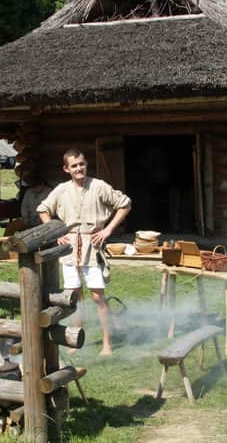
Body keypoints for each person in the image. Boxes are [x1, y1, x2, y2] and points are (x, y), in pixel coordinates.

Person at [37, 148, 131, 355]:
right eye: (74, 165)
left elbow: (124, 204)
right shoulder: (61, 190)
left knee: (98, 297)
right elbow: (43, 209)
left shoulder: (98, 186)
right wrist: (55, 232)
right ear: (66, 169)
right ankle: (76, 340)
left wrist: (107, 230)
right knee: (74, 297)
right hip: (70, 248)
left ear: (86, 164)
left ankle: (107, 343)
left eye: (81, 164)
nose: (79, 168)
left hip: (92, 246)